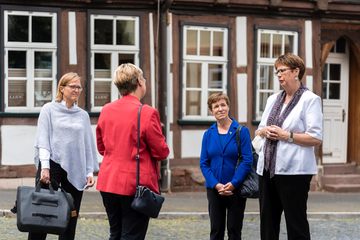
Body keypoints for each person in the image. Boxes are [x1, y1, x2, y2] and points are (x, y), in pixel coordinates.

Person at [96, 63, 169, 240]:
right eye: (143, 78)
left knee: (115, 233)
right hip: (134, 185)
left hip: (108, 182)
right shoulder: (147, 112)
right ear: (139, 82)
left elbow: (101, 147)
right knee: (132, 235)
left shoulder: (106, 110)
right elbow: (161, 152)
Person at [255, 53, 323, 240]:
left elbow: (316, 137)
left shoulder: (310, 100)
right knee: (267, 222)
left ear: (296, 72)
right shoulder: (272, 99)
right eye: (277, 71)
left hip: (295, 172)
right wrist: (265, 131)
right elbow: (259, 129)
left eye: (282, 70)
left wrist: (287, 135)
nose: (278, 75)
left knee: (296, 223)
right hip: (267, 170)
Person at [29, 72, 99, 240]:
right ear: (62, 88)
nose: (76, 90)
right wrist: (44, 167)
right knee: (42, 213)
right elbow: (43, 139)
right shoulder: (49, 109)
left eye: (79, 87)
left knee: (71, 214)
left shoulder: (82, 115)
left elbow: (87, 145)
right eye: (72, 86)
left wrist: (89, 172)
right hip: (51, 165)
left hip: (76, 167)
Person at [200, 92, 253, 240]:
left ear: (228, 107)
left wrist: (234, 183)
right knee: (216, 231)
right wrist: (216, 184)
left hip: (236, 189)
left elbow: (247, 160)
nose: (220, 109)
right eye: (216, 106)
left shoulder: (241, 131)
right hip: (214, 190)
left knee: (234, 231)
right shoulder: (208, 134)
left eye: (223, 105)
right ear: (211, 111)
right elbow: (204, 163)